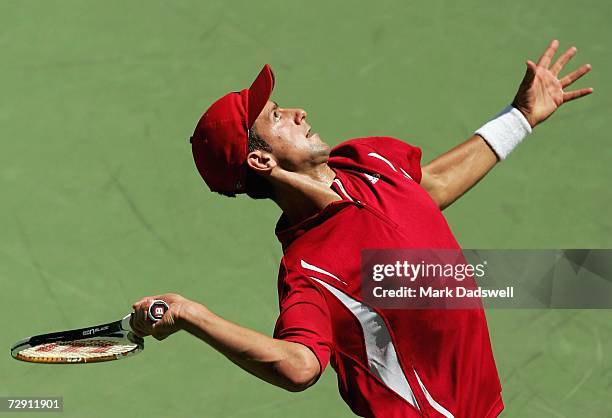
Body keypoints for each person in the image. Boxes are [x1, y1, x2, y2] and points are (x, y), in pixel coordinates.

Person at [130, 40, 592, 417]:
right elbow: (299, 366)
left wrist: (520, 117)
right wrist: (193, 316)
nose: (298, 112)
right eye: (275, 117)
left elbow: (430, 187)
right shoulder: (310, 270)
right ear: (261, 160)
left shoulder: (367, 160)